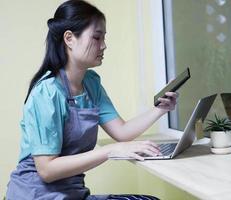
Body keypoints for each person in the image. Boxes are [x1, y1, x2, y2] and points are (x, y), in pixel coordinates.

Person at [6, 1, 177, 199]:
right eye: (97, 37)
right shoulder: (47, 92)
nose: (104, 45)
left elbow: (121, 132)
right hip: (34, 195)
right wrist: (111, 151)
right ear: (69, 38)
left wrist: (160, 109)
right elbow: (47, 169)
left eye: (104, 37)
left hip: (71, 194)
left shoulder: (91, 83)